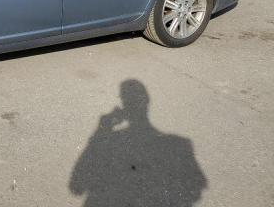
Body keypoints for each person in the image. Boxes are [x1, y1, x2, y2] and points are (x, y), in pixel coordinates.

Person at [70, 79, 207, 207]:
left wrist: (101, 130)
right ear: (147, 101)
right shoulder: (180, 144)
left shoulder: (110, 141)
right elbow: (196, 189)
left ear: (123, 106)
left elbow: (77, 186)